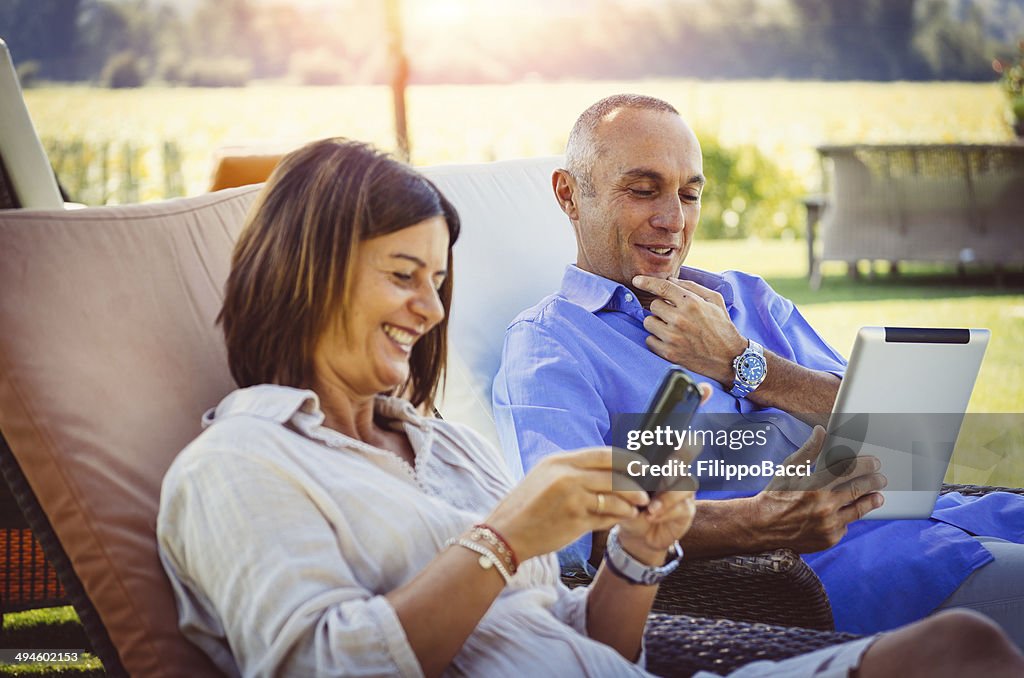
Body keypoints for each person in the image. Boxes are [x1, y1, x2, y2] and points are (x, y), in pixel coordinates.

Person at [156, 137, 1024, 677]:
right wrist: (509, 538)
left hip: (936, 517)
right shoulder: (241, 464)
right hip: (818, 579)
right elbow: (561, 544)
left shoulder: (443, 448)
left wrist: (742, 370)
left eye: (439, 281)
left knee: (964, 650)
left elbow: (573, 615)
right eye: (402, 275)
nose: (429, 309)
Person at [492, 94, 1024, 645]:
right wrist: (759, 521)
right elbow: (573, 534)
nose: (673, 220)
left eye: (690, 194)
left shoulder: (748, 299)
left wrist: (743, 362)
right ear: (569, 195)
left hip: (960, 518)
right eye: (643, 190)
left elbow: (904, 431)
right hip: (835, 579)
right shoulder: (550, 347)